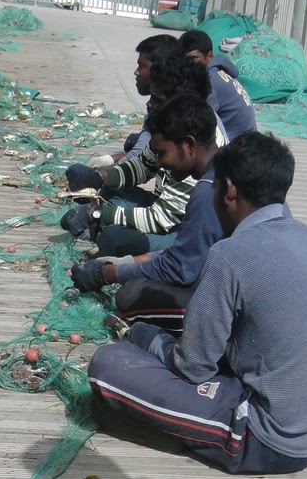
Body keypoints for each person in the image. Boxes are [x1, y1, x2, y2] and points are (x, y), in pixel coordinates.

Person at [86, 130, 307, 474]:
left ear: (229, 190)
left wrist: (151, 340)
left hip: (275, 439)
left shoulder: (229, 255)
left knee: (110, 364)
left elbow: (193, 368)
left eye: (215, 188)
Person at [69, 92, 226, 334]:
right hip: (217, 270)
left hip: (227, 297)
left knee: (129, 297)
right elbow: (182, 255)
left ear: (189, 145)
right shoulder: (222, 167)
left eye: (162, 153)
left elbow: (179, 269)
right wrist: (121, 264)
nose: (160, 164)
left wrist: (109, 274)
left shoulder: (208, 191)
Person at [63, 55, 226, 258]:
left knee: (118, 239)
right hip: (165, 208)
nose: (149, 105)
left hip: (184, 231)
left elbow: (160, 219)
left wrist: (97, 213)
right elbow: (143, 166)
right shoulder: (171, 126)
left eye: (156, 99)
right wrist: (100, 177)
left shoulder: (202, 163)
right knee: (107, 193)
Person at [179, 29, 256, 138]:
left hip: (239, 144)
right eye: (184, 60)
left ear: (209, 56)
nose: (188, 65)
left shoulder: (209, 79)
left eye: (193, 59)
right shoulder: (219, 69)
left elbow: (201, 119)